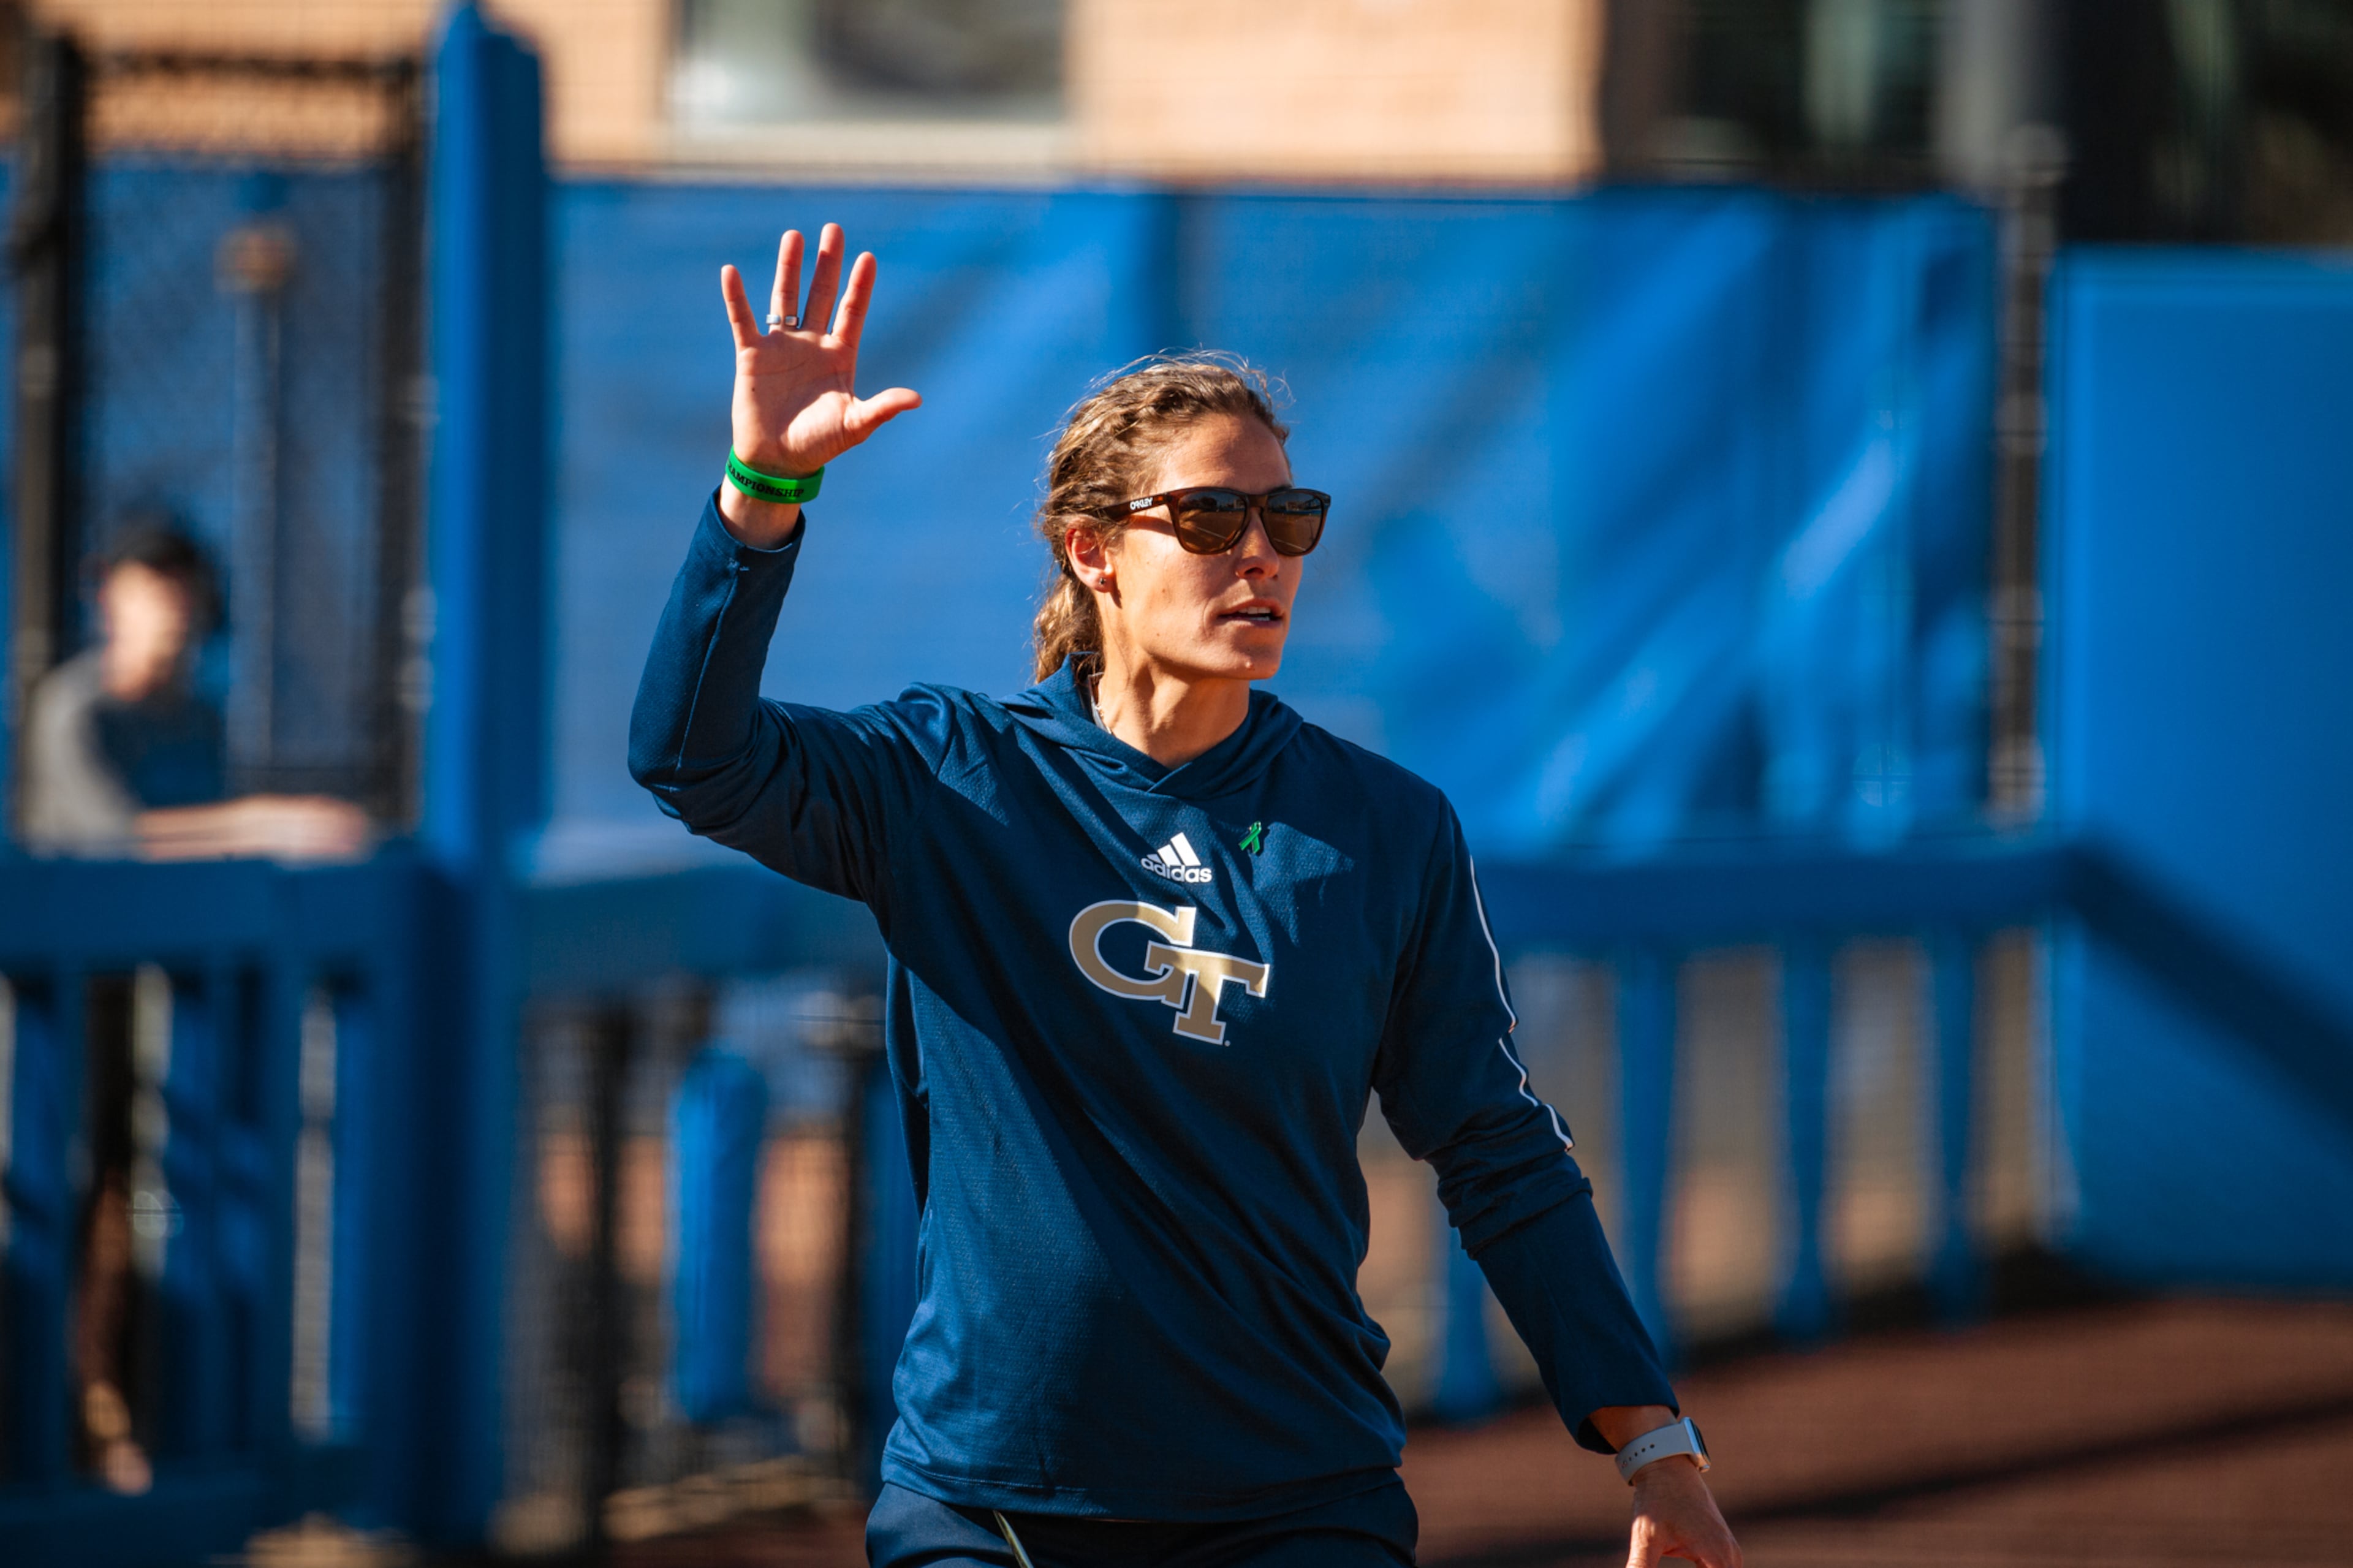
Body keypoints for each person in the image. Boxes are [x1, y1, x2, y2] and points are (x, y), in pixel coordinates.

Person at [631, 224, 1741, 1568]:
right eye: (1212, 518)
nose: (1260, 554)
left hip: (1292, 1499)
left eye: (1289, 518)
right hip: (993, 1500)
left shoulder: (1381, 828)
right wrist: (761, 491)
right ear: (1093, 552)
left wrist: (1654, 1444)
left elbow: (1496, 1146)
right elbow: (692, 757)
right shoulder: (949, 780)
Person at [18, 521, 370, 862]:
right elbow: (117, 841)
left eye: (183, 589)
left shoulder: (202, 719)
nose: (172, 606)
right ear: (109, 598)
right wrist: (265, 827)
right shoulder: (73, 710)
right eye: (154, 588)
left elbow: (210, 848)